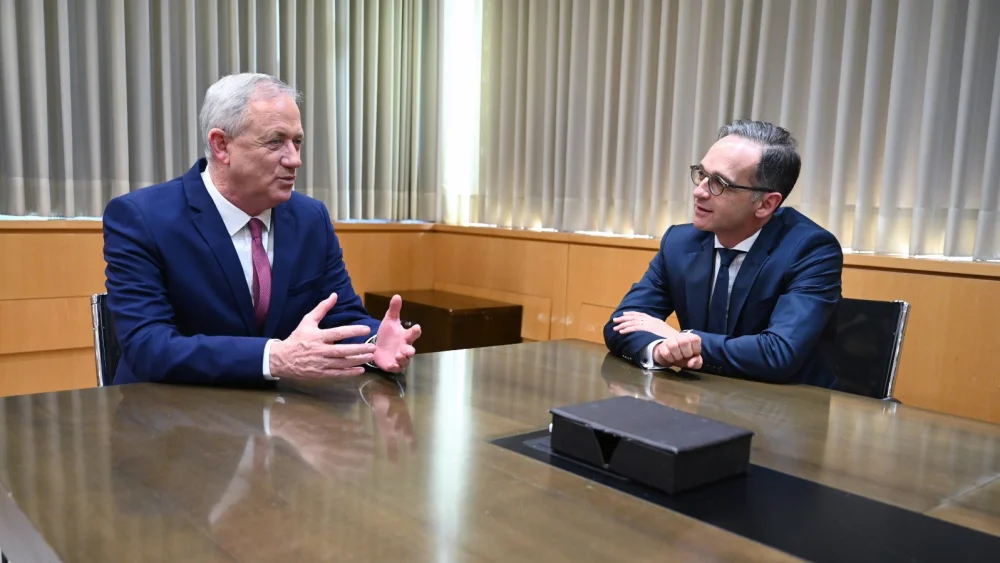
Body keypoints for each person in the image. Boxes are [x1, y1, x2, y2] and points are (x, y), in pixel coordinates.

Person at [103, 73, 421, 385]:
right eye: (276, 142)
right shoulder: (141, 218)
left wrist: (376, 341)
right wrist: (274, 357)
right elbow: (149, 346)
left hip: (280, 417)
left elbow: (342, 316)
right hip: (167, 419)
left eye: (297, 142)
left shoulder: (310, 218)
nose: (294, 160)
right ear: (221, 146)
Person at [604, 120, 842, 388]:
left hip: (784, 410)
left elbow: (778, 353)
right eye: (701, 174)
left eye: (719, 183)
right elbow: (620, 324)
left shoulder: (811, 249)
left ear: (766, 204)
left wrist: (683, 337)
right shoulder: (680, 242)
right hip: (699, 396)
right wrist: (660, 348)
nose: (699, 191)